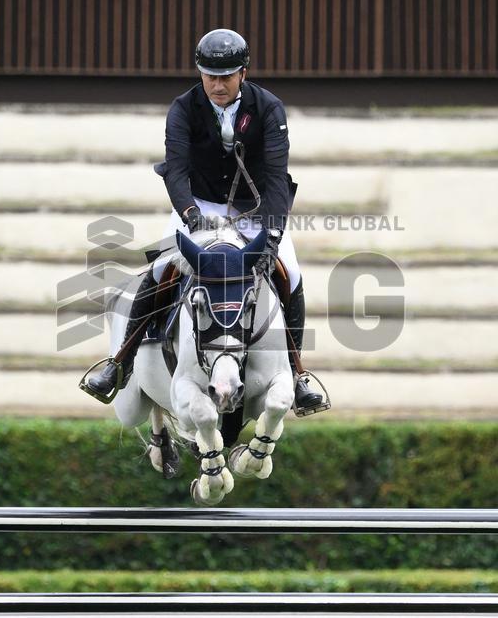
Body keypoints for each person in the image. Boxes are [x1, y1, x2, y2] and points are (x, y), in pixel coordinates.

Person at [80, 28, 328, 417]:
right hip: (198, 207)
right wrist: (191, 216)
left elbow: (277, 176)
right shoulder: (183, 108)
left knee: (291, 275)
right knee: (159, 270)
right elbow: (176, 171)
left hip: (256, 209)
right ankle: (120, 362)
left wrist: (273, 234)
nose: (217, 84)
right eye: (209, 75)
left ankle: (298, 374)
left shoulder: (269, 108)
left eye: (226, 76)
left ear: (243, 72)